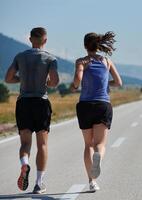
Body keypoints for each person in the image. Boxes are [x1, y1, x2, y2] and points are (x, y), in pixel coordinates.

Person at [5, 27, 59, 194]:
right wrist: (45, 81)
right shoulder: (50, 58)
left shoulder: (20, 57)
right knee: (42, 144)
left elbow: (8, 78)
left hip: (24, 103)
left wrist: (22, 78)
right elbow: (54, 82)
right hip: (41, 102)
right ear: (45, 40)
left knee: (25, 143)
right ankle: (39, 183)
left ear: (30, 39)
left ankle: (24, 164)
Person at [70, 31, 122, 192]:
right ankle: (98, 156)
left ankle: (91, 181)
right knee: (100, 144)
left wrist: (74, 86)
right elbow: (119, 82)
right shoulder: (106, 61)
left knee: (88, 144)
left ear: (85, 46)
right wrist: (106, 84)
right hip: (102, 104)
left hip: (85, 105)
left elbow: (78, 78)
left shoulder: (82, 61)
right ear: (98, 45)